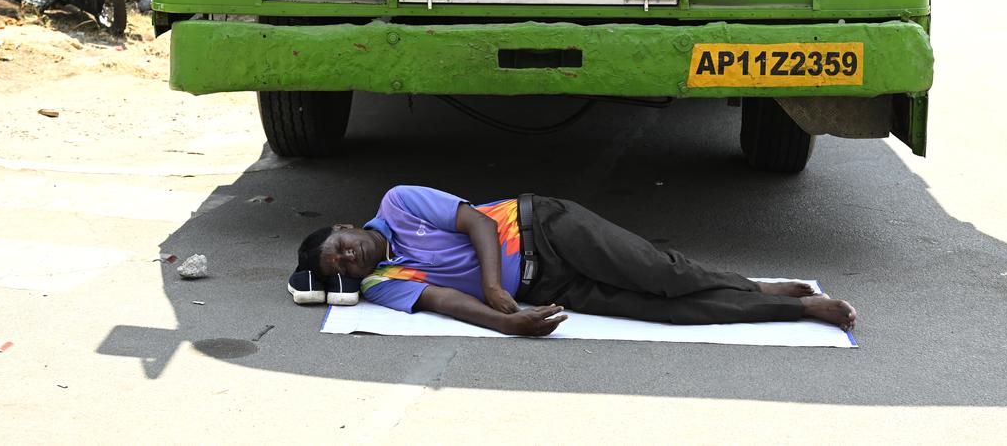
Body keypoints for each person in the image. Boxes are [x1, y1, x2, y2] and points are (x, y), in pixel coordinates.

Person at [296, 185, 856, 337]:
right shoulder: (381, 284)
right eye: (340, 269)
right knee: (667, 312)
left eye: (341, 247)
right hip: (549, 286)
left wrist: (494, 287)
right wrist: (509, 321)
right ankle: (800, 310)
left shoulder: (397, 204)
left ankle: (762, 288)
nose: (349, 259)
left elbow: (481, 224)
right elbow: (444, 301)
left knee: (665, 277)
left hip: (550, 229)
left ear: (347, 227)